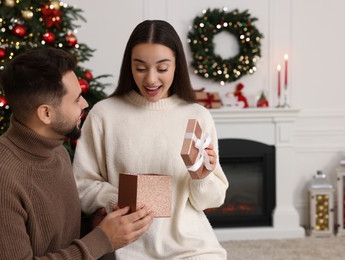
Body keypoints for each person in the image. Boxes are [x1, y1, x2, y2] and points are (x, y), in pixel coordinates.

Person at [0, 47, 154, 260]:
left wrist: (95, 227)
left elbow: (59, 240)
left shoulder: (58, 152)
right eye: (76, 99)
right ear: (46, 113)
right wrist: (102, 239)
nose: (85, 104)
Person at [73, 20, 229, 259]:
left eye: (162, 68)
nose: (151, 79)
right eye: (141, 68)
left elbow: (212, 200)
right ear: (129, 66)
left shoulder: (197, 116)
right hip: (129, 248)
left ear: (177, 65)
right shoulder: (104, 114)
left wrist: (202, 176)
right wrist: (119, 200)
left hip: (192, 247)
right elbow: (81, 184)